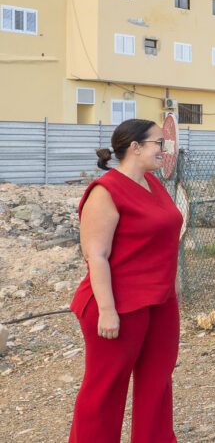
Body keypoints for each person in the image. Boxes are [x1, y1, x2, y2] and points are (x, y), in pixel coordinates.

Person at [69, 118, 183, 443]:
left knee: (157, 383)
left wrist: (172, 282)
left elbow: (162, 237)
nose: (165, 149)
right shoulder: (105, 190)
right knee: (105, 389)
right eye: (159, 143)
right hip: (118, 304)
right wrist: (107, 310)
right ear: (135, 147)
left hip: (159, 301)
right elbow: (96, 255)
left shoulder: (153, 183)